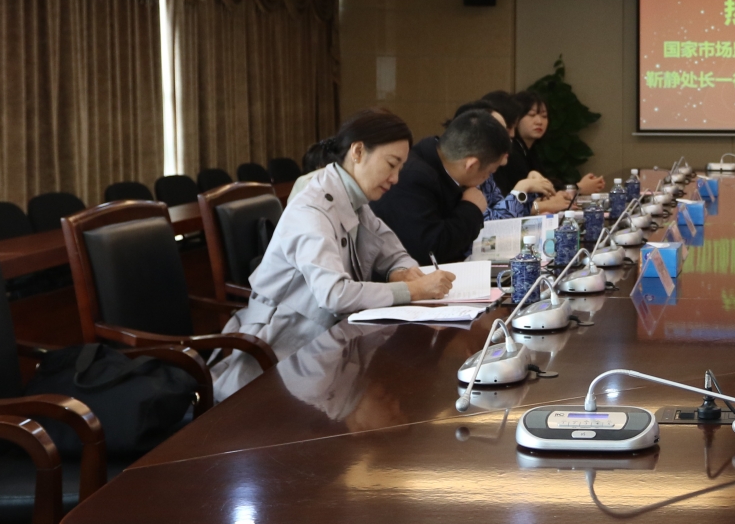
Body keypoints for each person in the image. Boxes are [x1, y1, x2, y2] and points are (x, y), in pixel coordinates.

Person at [211, 109, 455, 401]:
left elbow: (393, 252)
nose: (395, 178)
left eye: (401, 167)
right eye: (391, 164)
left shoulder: (354, 199)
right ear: (358, 151)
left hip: (331, 341)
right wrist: (412, 290)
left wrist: (400, 272)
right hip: (282, 352)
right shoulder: (312, 208)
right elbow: (335, 294)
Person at [370, 108, 509, 264]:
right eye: (490, 172)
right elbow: (429, 252)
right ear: (471, 165)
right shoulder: (413, 178)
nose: (487, 178)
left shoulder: (436, 160)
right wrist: (471, 208)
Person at [483, 90, 606, 212]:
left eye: (544, 116)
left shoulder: (530, 150)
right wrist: (577, 188)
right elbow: (498, 211)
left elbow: (508, 207)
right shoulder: (509, 155)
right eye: (531, 115)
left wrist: (546, 199)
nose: (539, 121)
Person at [447, 100, 550, 221]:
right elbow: (490, 222)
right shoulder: (462, 171)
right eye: (501, 133)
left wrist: (529, 189)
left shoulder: (487, 172)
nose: (510, 139)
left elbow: (504, 211)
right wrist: (521, 188)